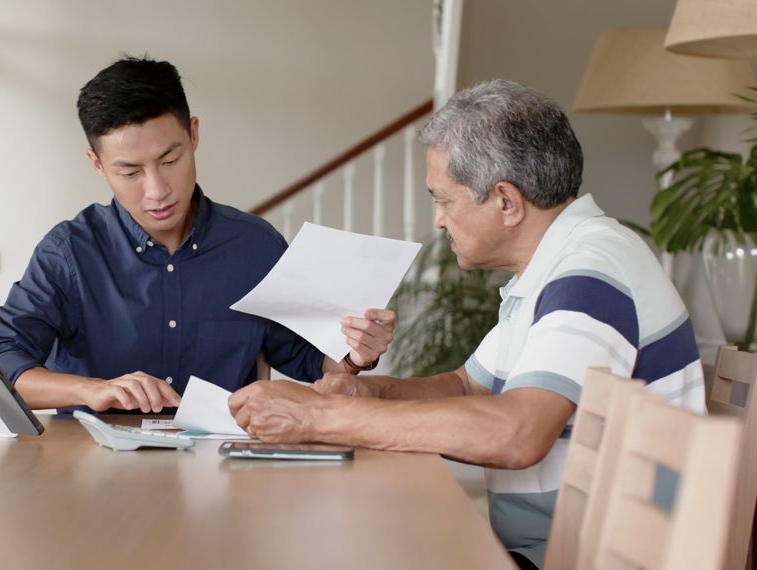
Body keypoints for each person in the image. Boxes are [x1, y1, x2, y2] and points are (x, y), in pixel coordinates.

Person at [227, 79, 706, 569]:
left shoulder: (591, 271)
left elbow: (518, 432)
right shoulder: (552, 269)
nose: (437, 220)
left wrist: (319, 419)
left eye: (444, 199)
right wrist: (364, 395)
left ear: (506, 201)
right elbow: (467, 387)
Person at [0, 56, 395, 414]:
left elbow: (309, 360)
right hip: (92, 468)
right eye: (130, 172)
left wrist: (355, 354)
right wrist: (92, 390)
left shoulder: (255, 247)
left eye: (170, 159)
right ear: (97, 164)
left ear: (194, 135)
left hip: (219, 469)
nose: (157, 190)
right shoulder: (68, 252)